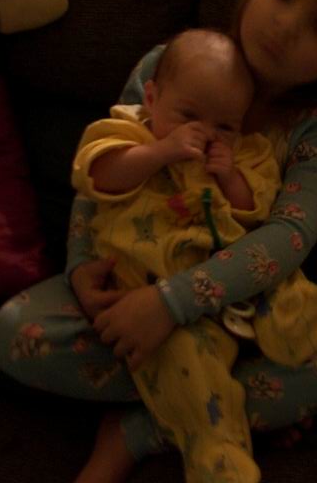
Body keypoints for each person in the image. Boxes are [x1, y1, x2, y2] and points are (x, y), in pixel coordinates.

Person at [0, 0, 317, 483]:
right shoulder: (170, 63)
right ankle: (236, 408)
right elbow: (101, 164)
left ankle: (140, 431)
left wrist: (171, 304)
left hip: (239, 309)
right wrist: (80, 270)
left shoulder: (316, 131)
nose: (287, 24)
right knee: (13, 334)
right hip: (134, 271)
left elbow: (288, 238)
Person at [71, 28, 285, 482]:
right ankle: (220, 461)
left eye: (225, 126)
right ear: (151, 98)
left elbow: (257, 212)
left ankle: (156, 425)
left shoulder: (246, 154)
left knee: (206, 361)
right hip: (135, 298)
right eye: (188, 115)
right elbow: (98, 175)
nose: (205, 134)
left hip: (213, 302)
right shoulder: (128, 129)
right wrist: (161, 151)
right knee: (192, 367)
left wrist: (229, 178)